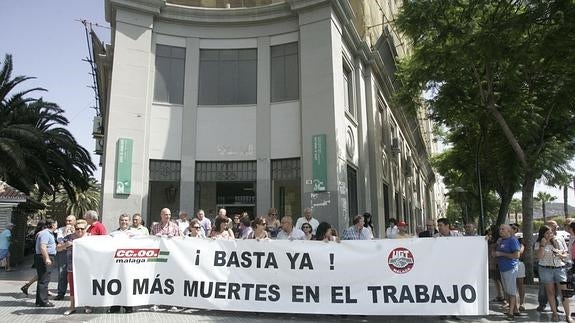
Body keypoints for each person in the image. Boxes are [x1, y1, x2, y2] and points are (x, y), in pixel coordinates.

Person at [535, 225, 573, 322]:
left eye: (550, 232)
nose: (549, 235)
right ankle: (554, 313)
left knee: (564, 293)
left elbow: (566, 254)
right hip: (545, 269)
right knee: (550, 292)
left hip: (559, 268)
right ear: (542, 234)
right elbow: (539, 257)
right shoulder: (539, 243)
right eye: (547, 233)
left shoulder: (558, 240)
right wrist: (543, 245)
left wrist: (561, 255)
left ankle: (568, 315)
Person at [58, 219, 88, 315]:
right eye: (77, 228)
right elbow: (58, 248)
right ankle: (72, 306)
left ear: (86, 229)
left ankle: (87, 305)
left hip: (87, 267)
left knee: (86, 286)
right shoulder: (69, 237)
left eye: (82, 229)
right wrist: (66, 245)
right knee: (72, 287)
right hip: (72, 267)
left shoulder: (90, 238)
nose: (79, 230)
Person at [108, 214, 135, 313]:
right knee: (116, 284)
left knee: (128, 284)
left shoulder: (134, 234)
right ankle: (115, 306)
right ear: (119, 221)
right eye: (122, 220)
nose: (124, 222)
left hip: (129, 264)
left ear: (129, 222)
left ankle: (128, 306)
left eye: (126, 220)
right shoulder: (113, 234)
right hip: (116, 264)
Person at [495, 224, 521, 320]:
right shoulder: (501, 240)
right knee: (507, 290)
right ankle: (514, 309)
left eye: (503, 229)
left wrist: (501, 254)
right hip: (502, 268)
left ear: (508, 231)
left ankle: (511, 313)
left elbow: (516, 255)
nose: (500, 231)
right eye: (500, 229)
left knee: (511, 291)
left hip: (510, 268)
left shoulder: (513, 240)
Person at [34, 218, 57, 307]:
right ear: (52, 224)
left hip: (45, 256)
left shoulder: (47, 233)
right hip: (44, 257)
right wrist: (47, 258)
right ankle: (43, 301)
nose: (56, 226)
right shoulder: (45, 233)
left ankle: (39, 301)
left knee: (42, 279)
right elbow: (43, 247)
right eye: (56, 224)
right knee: (44, 280)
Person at [21, 220, 47, 295]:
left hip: (38, 255)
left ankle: (27, 285)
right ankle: (27, 285)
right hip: (41, 256)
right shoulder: (42, 234)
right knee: (43, 274)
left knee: (42, 274)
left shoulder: (38, 233)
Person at [54, 215, 76, 300]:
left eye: (70, 221)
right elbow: (60, 241)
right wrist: (65, 232)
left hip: (74, 253)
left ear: (74, 221)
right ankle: (60, 293)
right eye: (67, 220)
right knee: (62, 273)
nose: (68, 222)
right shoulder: (61, 230)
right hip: (63, 253)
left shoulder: (78, 229)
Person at [510, 223, 526, 311]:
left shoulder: (519, 239)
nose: (512, 229)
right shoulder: (504, 239)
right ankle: (512, 304)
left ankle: (522, 303)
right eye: (511, 227)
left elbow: (520, 252)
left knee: (520, 283)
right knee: (511, 285)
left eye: (514, 228)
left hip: (518, 263)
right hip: (509, 264)